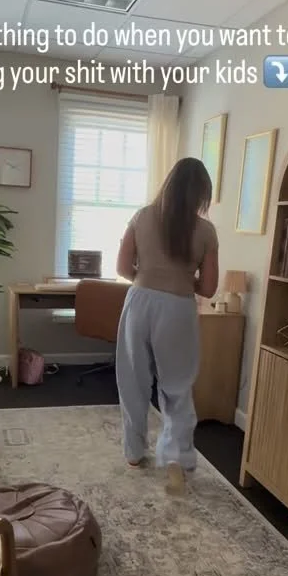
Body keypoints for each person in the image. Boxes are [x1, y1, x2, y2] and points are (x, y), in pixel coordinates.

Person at [115, 157, 219, 496]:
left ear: (169, 185)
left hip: (140, 300)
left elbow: (122, 267)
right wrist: (182, 278)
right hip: (178, 307)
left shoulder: (142, 216)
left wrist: (149, 277)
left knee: (133, 378)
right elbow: (208, 289)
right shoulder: (206, 231)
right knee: (177, 385)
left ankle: (134, 453)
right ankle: (176, 457)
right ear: (201, 193)